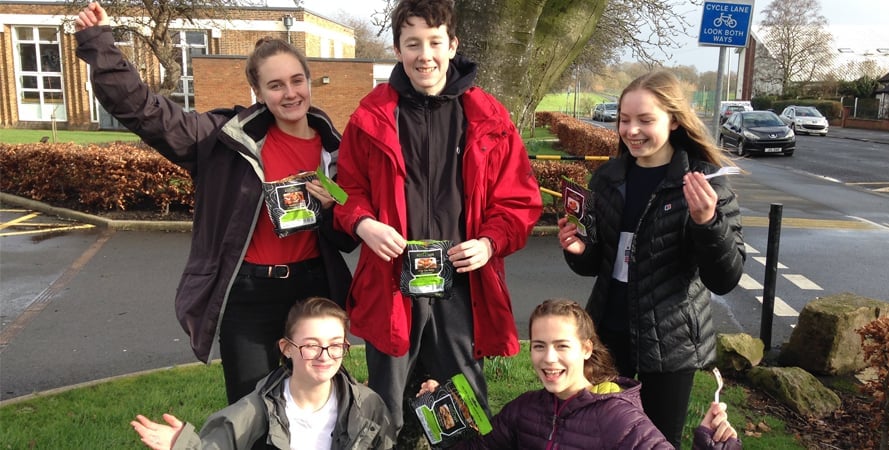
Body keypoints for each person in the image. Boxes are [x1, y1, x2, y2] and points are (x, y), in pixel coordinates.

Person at [74, 2, 356, 406]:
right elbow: (145, 112)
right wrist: (100, 44)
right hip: (249, 294)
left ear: (310, 82)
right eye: (276, 85)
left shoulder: (336, 150)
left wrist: (330, 211)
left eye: (297, 81)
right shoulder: (221, 140)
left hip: (312, 291)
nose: (290, 93)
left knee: (315, 403)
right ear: (258, 92)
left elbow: (347, 237)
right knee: (251, 407)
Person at [332, 0, 543, 439]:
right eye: (413, 44)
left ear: (452, 46)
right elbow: (343, 190)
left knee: (465, 411)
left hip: (462, 289)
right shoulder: (370, 116)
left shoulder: (490, 117)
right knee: (385, 412)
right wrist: (364, 224)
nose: (424, 55)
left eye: (434, 42)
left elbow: (519, 201)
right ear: (397, 50)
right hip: (392, 286)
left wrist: (489, 243)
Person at [557, 70, 746, 447]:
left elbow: (724, 278)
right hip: (607, 334)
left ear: (674, 120)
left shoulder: (704, 181)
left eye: (645, 120)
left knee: (656, 441)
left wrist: (707, 222)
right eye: (625, 119)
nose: (632, 130)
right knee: (601, 435)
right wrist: (578, 251)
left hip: (670, 343)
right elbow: (595, 264)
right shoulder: (608, 178)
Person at [418, 298, 741, 449]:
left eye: (562, 346)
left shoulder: (618, 417)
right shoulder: (524, 409)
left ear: (586, 349)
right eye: (539, 346)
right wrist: (443, 413)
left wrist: (711, 446)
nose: (549, 359)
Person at [130, 297, 394, 450]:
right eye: (311, 345)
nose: (324, 355)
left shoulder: (368, 405)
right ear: (287, 348)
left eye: (335, 345)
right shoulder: (256, 409)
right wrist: (183, 444)